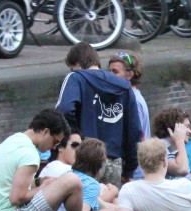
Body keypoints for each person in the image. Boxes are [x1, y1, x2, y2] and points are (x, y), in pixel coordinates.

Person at [0, 109, 96, 211]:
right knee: (73, 181)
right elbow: (17, 198)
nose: (54, 147)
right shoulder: (30, 154)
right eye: (55, 142)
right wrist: (44, 187)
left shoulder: (13, 140)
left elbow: (12, 183)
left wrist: (39, 182)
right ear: (46, 132)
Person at [55, 43, 142, 187]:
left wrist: (76, 135)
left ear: (77, 63)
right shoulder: (124, 86)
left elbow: (64, 110)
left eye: (72, 68)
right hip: (114, 161)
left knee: (84, 206)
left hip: (85, 157)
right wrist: (129, 170)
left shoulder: (75, 78)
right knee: (110, 204)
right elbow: (134, 130)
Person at [40, 132, 117, 211]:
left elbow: (98, 202)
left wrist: (117, 210)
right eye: (74, 145)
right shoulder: (91, 184)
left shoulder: (67, 174)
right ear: (100, 165)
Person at [106, 51, 151, 145]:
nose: (109, 75)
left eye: (115, 72)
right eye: (109, 71)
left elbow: (137, 137)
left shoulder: (134, 100)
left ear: (129, 75)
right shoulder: (126, 97)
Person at [152, 107, 191, 180]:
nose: (190, 131)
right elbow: (182, 170)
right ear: (174, 127)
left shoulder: (177, 147)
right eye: (187, 126)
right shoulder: (159, 147)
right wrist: (180, 141)